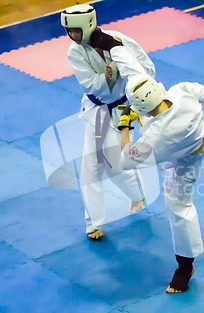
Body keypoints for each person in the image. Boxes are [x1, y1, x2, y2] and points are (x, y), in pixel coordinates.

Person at [89, 30, 204, 293]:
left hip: (186, 159)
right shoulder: (182, 90)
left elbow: (125, 160)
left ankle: (185, 266)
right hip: (193, 131)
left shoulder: (155, 138)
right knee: (133, 73)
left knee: (179, 206)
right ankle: (185, 264)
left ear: (141, 110)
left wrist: (125, 127)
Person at [60, 4, 156, 240]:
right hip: (97, 110)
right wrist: (108, 74)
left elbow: (148, 70)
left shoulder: (118, 40)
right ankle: (93, 222)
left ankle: (137, 192)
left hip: (124, 107)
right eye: (68, 31)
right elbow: (92, 86)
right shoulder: (75, 51)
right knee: (90, 166)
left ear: (88, 25)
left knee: (115, 164)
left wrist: (120, 67)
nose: (72, 36)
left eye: (75, 30)